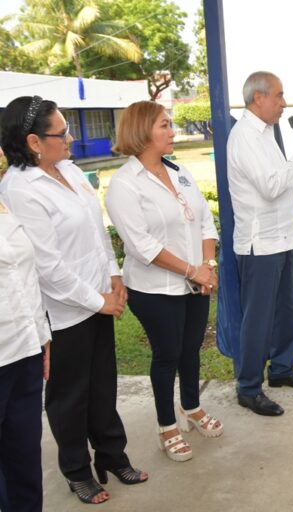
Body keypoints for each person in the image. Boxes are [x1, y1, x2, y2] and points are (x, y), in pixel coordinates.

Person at [0, 96, 147, 505]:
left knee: (103, 384)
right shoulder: (19, 189)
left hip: (99, 295)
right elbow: (48, 265)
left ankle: (112, 455)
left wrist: (114, 277)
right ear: (33, 141)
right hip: (64, 310)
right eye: (62, 133)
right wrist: (97, 301)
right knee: (69, 396)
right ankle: (77, 471)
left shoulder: (68, 169)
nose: (71, 139)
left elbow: (96, 230)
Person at [106, 101, 222, 462]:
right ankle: (167, 427)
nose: (173, 132)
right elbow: (142, 247)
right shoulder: (124, 185)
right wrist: (193, 271)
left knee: (190, 350)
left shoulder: (179, 170)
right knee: (167, 354)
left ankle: (191, 406)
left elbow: (203, 220)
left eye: (170, 125)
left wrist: (208, 265)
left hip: (194, 282)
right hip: (154, 289)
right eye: (164, 126)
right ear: (142, 132)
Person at [227, 71, 293, 417]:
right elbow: (269, 186)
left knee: (286, 310)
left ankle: (281, 369)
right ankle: (248, 388)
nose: (284, 103)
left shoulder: (266, 133)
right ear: (258, 99)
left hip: (282, 237)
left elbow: (277, 184)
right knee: (259, 318)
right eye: (279, 96)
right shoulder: (244, 137)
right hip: (260, 243)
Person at [0, 201, 50, 512]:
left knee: (25, 458)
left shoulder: (5, 203)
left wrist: (41, 334)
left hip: (24, 350)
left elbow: (25, 276)